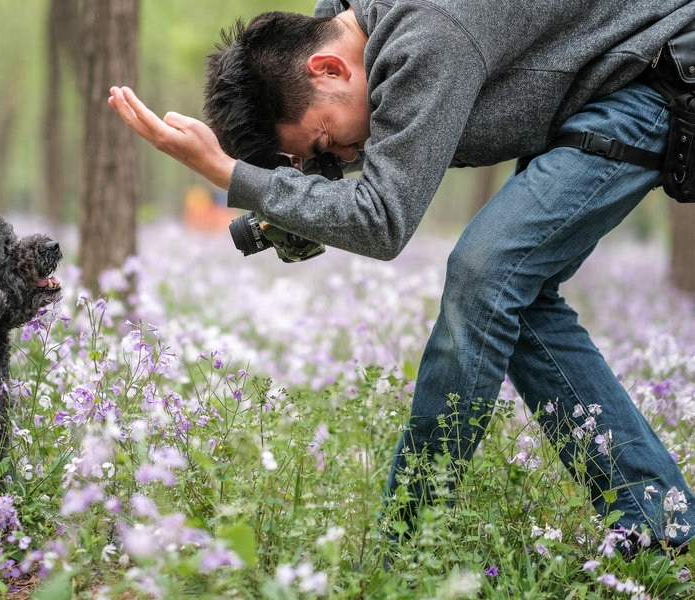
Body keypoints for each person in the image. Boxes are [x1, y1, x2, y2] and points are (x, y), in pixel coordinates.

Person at [109, 0, 695, 554]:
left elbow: (383, 220)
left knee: (486, 275)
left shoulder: (426, 37)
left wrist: (225, 171)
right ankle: (660, 520)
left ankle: (406, 545)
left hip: (657, 68)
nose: (339, 156)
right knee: (513, 292)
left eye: (325, 140)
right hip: (608, 75)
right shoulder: (346, 26)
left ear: (329, 68)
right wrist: (298, 184)